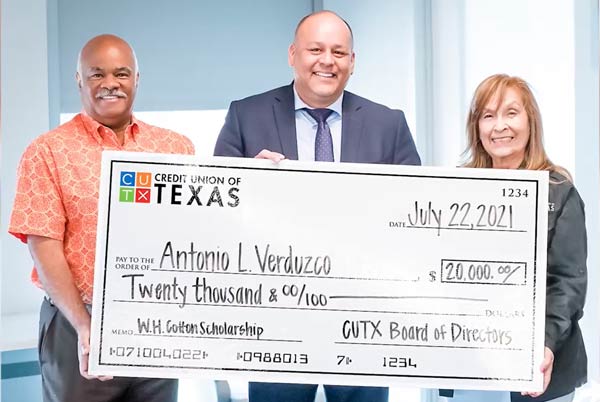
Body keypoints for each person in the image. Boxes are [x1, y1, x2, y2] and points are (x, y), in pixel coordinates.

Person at [214, 9, 421, 402]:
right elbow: (217, 213)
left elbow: (413, 217)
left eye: (339, 52)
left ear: (352, 62)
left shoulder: (388, 123)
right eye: (316, 49)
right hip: (276, 320)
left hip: (362, 320)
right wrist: (245, 184)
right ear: (293, 54)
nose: (327, 60)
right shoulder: (245, 115)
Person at [8, 34, 195, 402]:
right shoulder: (48, 151)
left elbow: (199, 226)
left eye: (121, 73)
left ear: (137, 79)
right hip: (77, 323)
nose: (110, 83)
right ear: (79, 80)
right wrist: (84, 326)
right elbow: (44, 247)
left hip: (155, 322)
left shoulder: (176, 148)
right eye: (96, 74)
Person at [440, 74, 587, 402]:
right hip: (471, 366)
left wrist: (544, 347)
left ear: (530, 121)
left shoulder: (559, 191)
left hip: (542, 371)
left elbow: (568, 285)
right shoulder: (453, 189)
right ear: (476, 127)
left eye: (511, 113)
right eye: (488, 115)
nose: (499, 126)